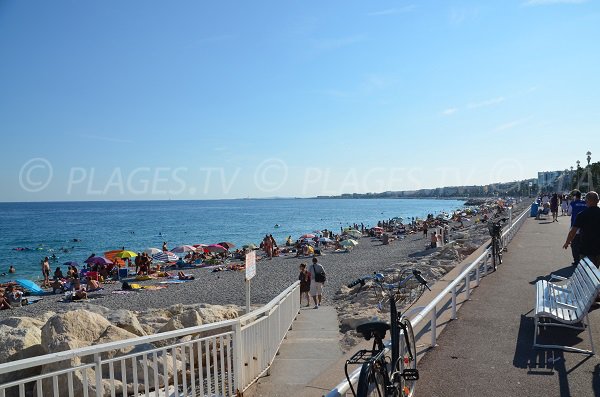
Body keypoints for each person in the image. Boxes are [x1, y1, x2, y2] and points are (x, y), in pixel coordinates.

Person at [563, 191, 600, 267]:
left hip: (586, 249)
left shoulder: (582, 214)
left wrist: (567, 242)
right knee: (596, 271)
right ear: (598, 201)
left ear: (587, 201)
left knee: (587, 273)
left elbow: (573, 232)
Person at [567, 190, 588, 266]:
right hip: (585, 228)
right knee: (583, 244)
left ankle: (576, 261)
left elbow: (569, 213)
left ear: (575, 196)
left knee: (574, 245)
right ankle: (583, 260)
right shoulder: (586, 203)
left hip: (575, 227)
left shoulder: (573, 204)